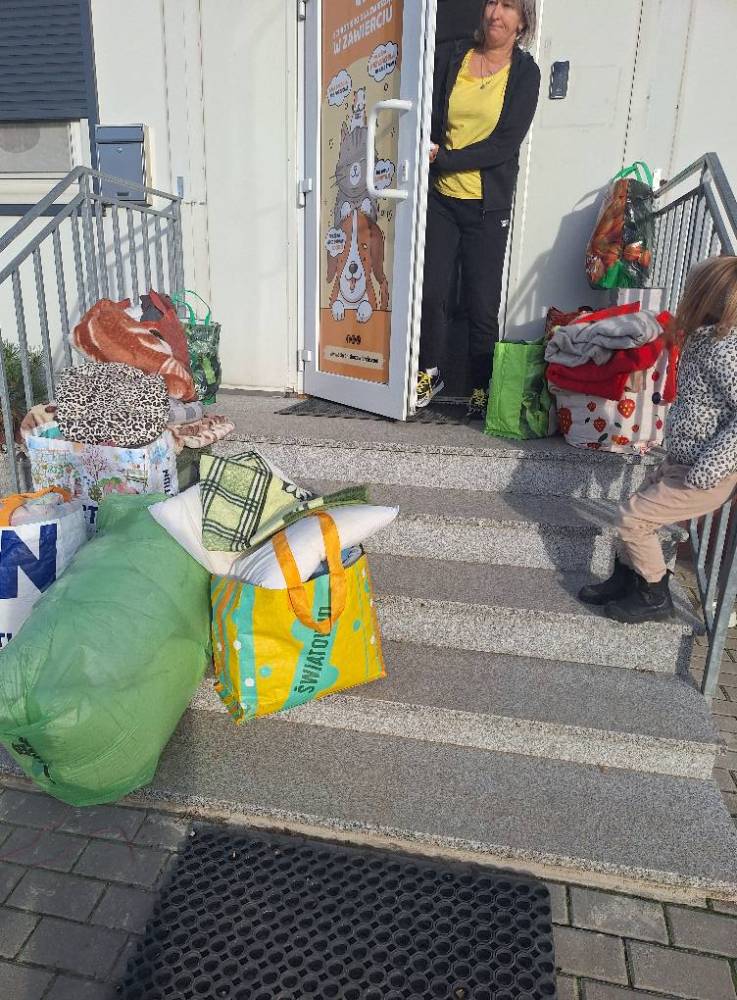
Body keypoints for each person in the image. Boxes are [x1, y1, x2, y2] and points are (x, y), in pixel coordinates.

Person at [579, 256, 737, 624]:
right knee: (634, 508)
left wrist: (710, 467)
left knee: (633, 519)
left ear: (708, 298)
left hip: (707, 471)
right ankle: (628, 579)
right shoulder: (705, 339)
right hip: (682, 459)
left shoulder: (727, 350)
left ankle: (654, 593)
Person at [417, 0, 541, 414]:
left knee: (481, 303)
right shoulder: (454, 56)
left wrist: (444, 159)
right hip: (441, 198)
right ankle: (428, 373)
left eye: (508, 6)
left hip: (487, 207)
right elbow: (430, 113)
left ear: (522, 21)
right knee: (431, 292)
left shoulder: (525, 74)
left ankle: (480, 386)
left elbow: (503, 145)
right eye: (492, 2)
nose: (496, 13)